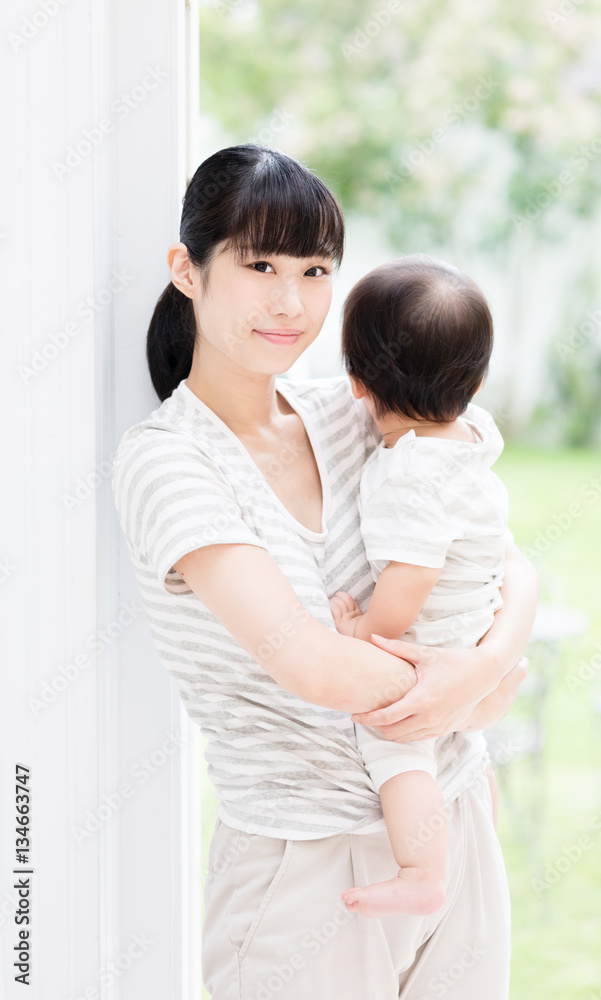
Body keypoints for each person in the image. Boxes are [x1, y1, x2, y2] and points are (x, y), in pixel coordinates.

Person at [111, 144, 539, 1000]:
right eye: (258, 263)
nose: (290, 301)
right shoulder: (167, 465)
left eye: (314, 270)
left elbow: (507, 561)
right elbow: (310, 662)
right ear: (187, 272)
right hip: (307, 868)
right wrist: (467, 687)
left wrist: (487, 669)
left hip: (451, 818)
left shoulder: (349, 412)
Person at [328, 255, 511, 920]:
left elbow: (409, 580)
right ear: (478, 378)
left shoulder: (406, 474)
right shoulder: (471, 437)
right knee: (459, 754)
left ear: (354, 383)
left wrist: (361, 629)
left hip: (433, 640)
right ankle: (478, 834)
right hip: (477, 626)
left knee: (395, 748)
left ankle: (421, 869)